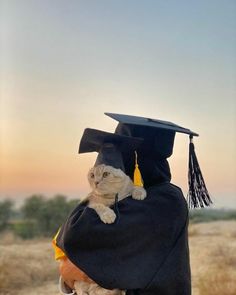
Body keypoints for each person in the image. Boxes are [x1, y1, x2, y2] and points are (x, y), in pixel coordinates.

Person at [55, 113, 212, 295]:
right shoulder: (126, 196)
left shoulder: (164, 200)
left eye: (120, 155)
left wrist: (70, 268)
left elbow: (76, 235)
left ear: (136, 159)